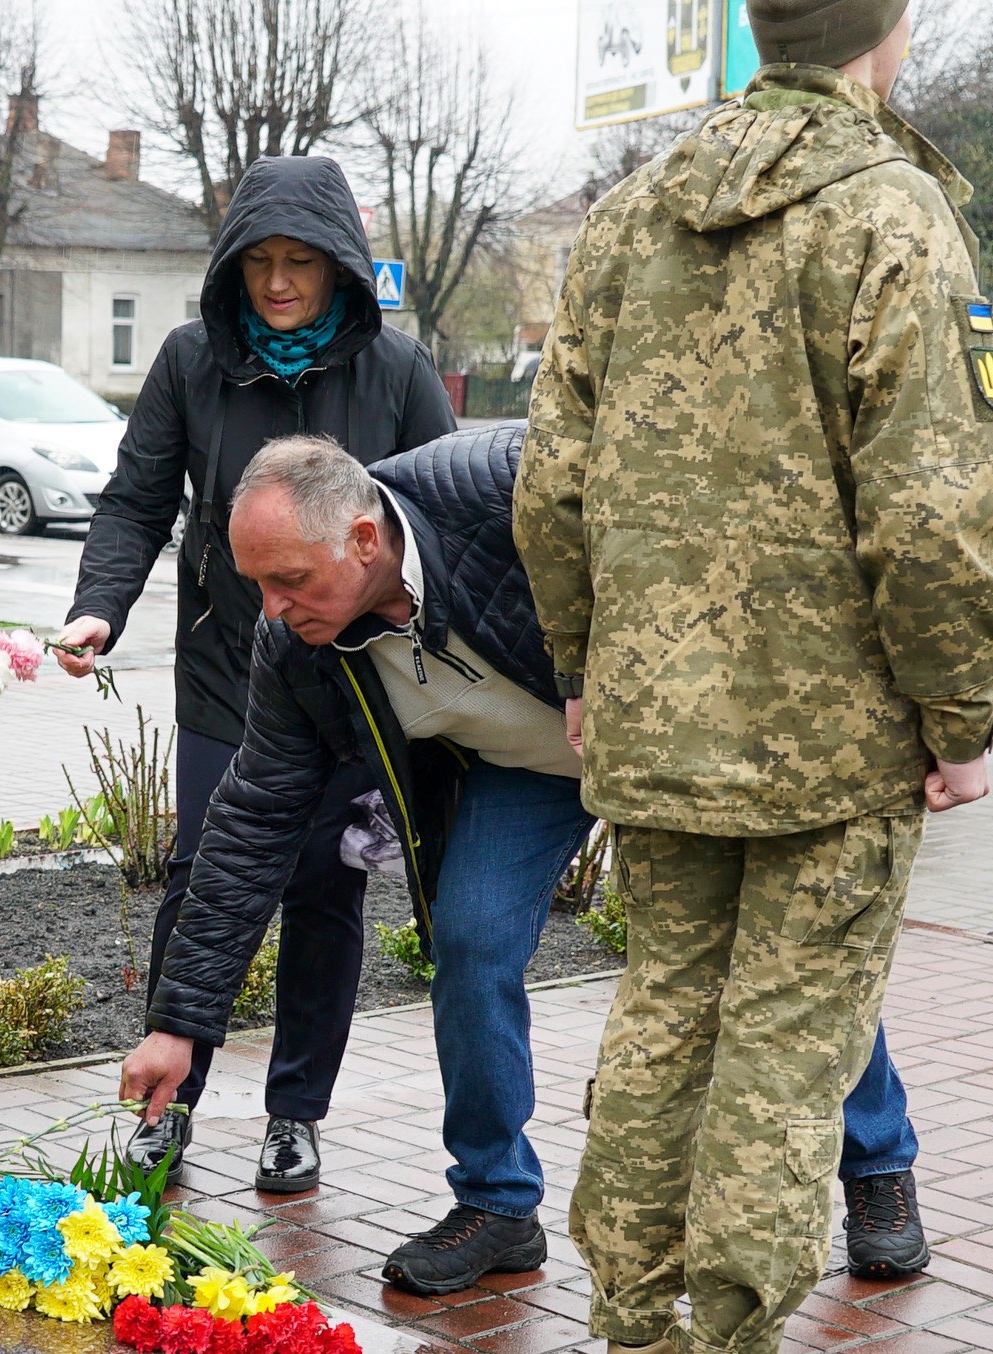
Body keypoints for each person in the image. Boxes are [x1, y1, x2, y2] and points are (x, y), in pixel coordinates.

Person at [114, 426, 939, 1300]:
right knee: (469, 942)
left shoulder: (510, 490)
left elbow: (708, 542)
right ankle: (497, 1201)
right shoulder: (298, 646)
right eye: (258, 586)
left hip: (669, 744)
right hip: (527, 768)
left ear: (363, 539)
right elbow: (251, 823)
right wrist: (182, 1022)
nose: (273, 608)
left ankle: (878, 1165)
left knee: (772, 948)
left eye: (290, 580)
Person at [515, 1, 993, 1354]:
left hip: (659, 719)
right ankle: (727, 1341)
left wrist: (580, 665)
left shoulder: (631, 218)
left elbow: (548, 480)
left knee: (668, 1008)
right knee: (788, 1050)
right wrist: (959, 716)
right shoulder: (892, 213)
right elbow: (934, 508)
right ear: (889, 28)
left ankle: (634, 1325)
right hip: (835, 749)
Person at [53, 156, 456, 1192]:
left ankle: (294, 1113)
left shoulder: (396, 370)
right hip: (228, 671)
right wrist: (99, 602)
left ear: (337, 270)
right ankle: (164, 1105)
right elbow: (137, 498)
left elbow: (442, 515)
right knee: (203, 878)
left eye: (300, 264)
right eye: (261, 263)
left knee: (325, 890)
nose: (279, 283)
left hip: (354, 679)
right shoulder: (192, 360)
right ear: (234, 267)